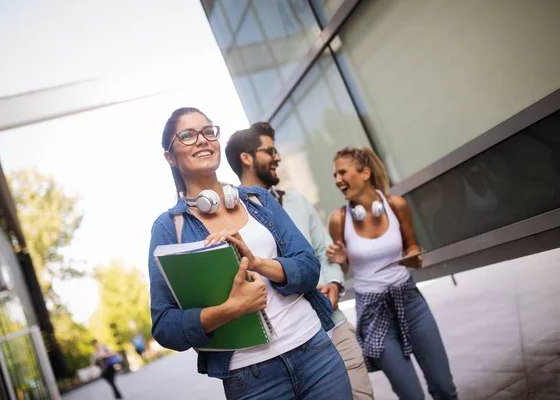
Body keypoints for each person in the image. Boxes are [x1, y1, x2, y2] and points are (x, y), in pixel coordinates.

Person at [147, 107, 352, 400]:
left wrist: (258, 263)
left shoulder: (259, 200)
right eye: (188, 136)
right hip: (250, 378)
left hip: (315, 352)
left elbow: (308, 267)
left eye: (208, 132)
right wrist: (232, 309)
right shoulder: (169, 228)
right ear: (170, 156)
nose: (202, 140)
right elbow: (165, 326)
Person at [225, 122, 374, 400]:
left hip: (332, 321)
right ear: (246, 157)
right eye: (270, 150)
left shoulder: (297, 201)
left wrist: (333, 285)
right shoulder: (228, 215)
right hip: (284, 344)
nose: (278, 157)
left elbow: (324, 251)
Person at [326, 146, 458, 400]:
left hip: (410, 301)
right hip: (373, 312)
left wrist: (414, 255)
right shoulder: (339, 220)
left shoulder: (396, 205)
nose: (337, 180)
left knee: (444, 387)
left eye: (342, 172)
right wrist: (341, 261)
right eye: (335, 175)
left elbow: (412, 245)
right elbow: (342, 268)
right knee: (411, 396)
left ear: (365, 173)